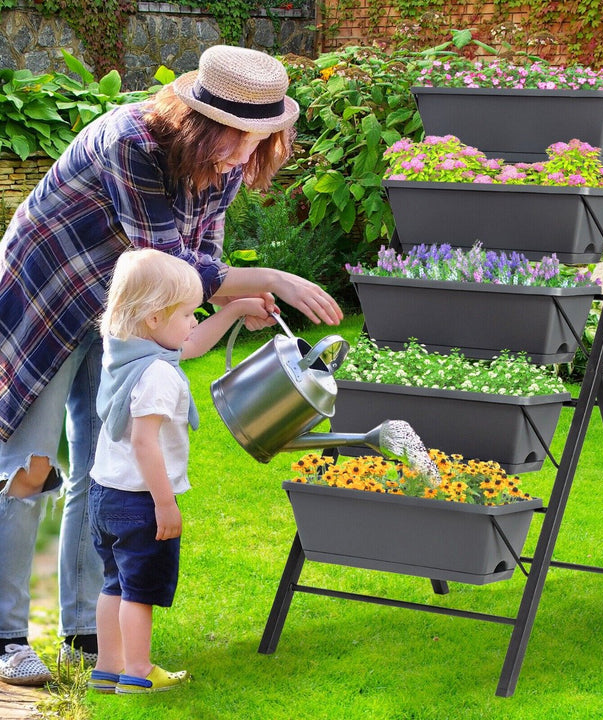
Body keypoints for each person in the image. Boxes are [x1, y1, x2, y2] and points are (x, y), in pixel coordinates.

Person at [0, 44, 343, 686]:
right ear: (197, 120)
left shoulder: (230, 161)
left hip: (129, 310)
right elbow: (168, 259)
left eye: (259, 138)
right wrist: (267, 276)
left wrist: (234, 300)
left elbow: (199, 259)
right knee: (30, 467)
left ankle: (83, 629)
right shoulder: (129, 141)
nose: (244, 154)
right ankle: (5, 636)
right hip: (49, 292)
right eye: (235, 137)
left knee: (104, 464)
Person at [88, 248, 250, 694]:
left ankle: (108, 668)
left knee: (114, 584)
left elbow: (190, 344)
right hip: (141, 499)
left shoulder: (122, 349)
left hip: (104, 493)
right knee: (140, 591)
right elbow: (145, 443)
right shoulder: (157, 374)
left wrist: (235, 309)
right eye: (187, 314)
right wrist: (164, 503)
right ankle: (138, 673)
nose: (194, 322)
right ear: (155, 319)